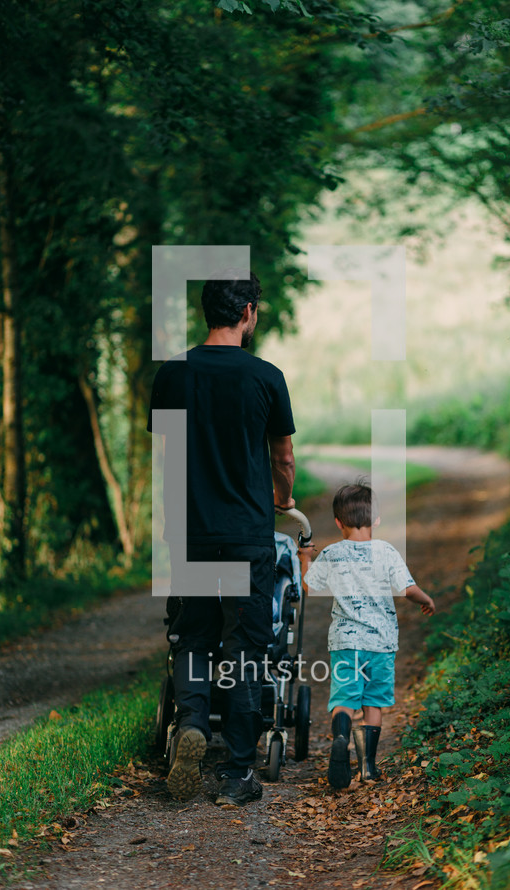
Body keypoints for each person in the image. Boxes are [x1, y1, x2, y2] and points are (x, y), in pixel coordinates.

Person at [147, 270, 296, 806]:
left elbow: (171, 453)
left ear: (207, 312)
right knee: (245, 647)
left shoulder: (172, 374)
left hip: (189, 533)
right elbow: (282, 456)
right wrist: (282, 498)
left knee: (192, 635)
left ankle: (190, 725)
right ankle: (237, 774)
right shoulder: (266, 376)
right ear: (248, 313)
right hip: (244, 536)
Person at [299, 482, 435, 789]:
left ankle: (342, 736)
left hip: (346, 643)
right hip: (381, 644)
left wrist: (304, 557)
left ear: (338, 522)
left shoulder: (333, 553)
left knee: (344, 700)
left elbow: (309, 586)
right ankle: (368, 767)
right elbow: (407, 589)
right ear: (376, 520)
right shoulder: (386, 552)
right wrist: (425, 599)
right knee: (374, 702)